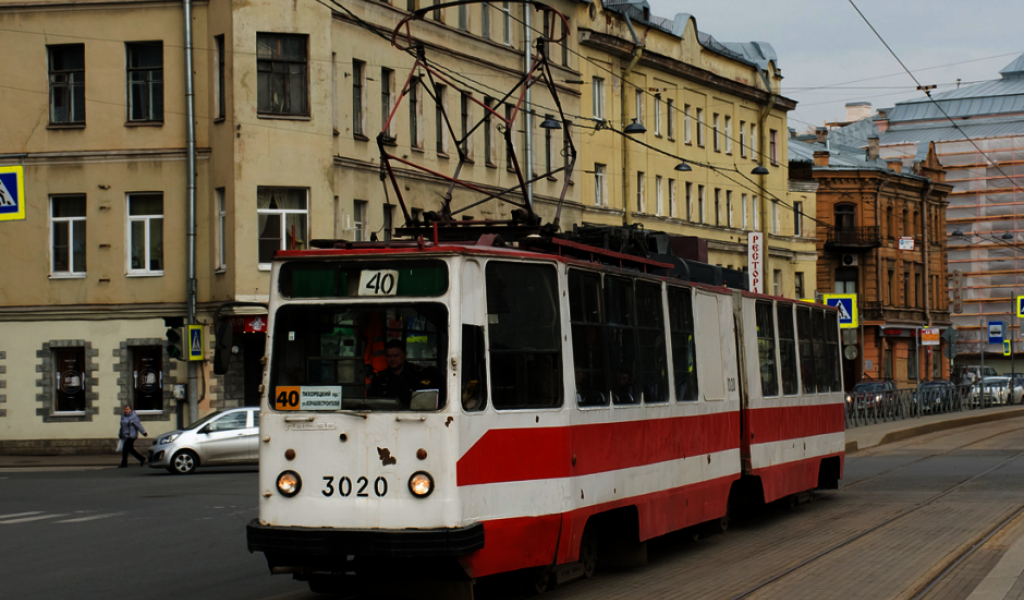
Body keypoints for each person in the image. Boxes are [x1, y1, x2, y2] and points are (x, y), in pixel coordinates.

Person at [367, 339, 440, 407]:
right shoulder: (379, 379)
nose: (392, 359)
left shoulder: (420, 375)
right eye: (389, 356)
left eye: (395, 356)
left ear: (405, 355)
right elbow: (372, 403)